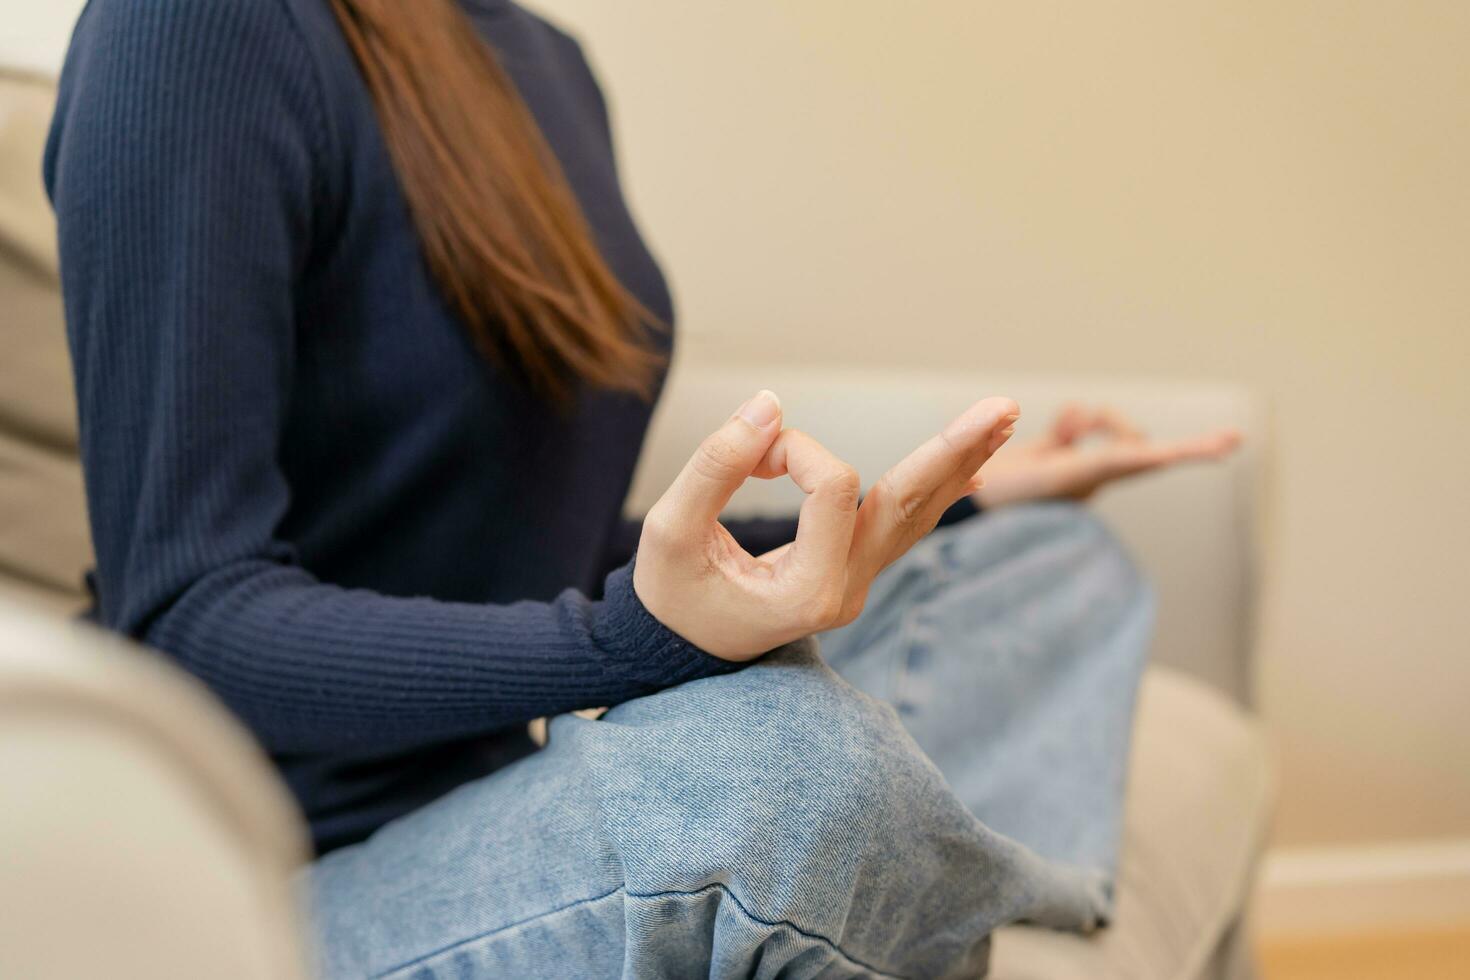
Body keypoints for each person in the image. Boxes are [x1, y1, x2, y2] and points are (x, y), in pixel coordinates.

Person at [44, 0, 1238, 975]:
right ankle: (936, 889)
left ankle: (925, 885)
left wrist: (939, 513)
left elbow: (531, 547)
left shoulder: (546, 62)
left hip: (508, 772)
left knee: (1050, 566)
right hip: (278, 869)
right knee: (785, 765)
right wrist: (628, 644)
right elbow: (187, 620)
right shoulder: (194, 27)